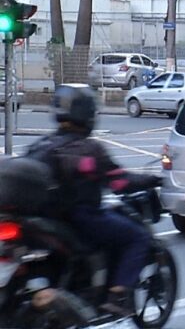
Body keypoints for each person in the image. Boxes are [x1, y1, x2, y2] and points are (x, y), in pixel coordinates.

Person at [25, 84, 161, 317]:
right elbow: (119, 182)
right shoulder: (88, 148)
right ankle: (118, 296)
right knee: (137, 237)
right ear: (88, 114)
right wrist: (153, 179)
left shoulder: (41, 145)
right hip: (81, 217)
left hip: (43, 220)